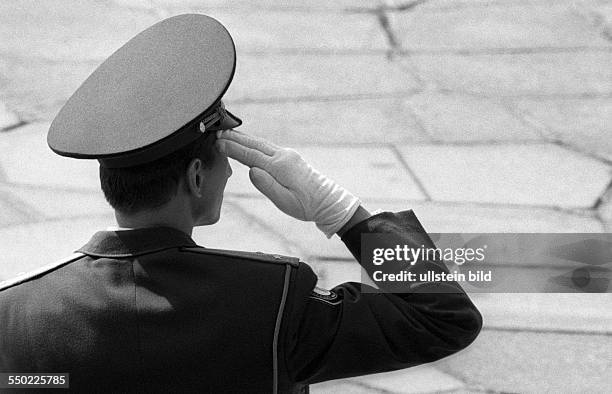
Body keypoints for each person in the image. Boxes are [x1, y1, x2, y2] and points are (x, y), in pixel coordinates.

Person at [0, 14, 482, 394]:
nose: (229, 173)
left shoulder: (19, 313)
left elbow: (30, 383)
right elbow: (442, 318)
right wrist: (341, 212)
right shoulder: (269, 303)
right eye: (221, 161)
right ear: (194, 177)